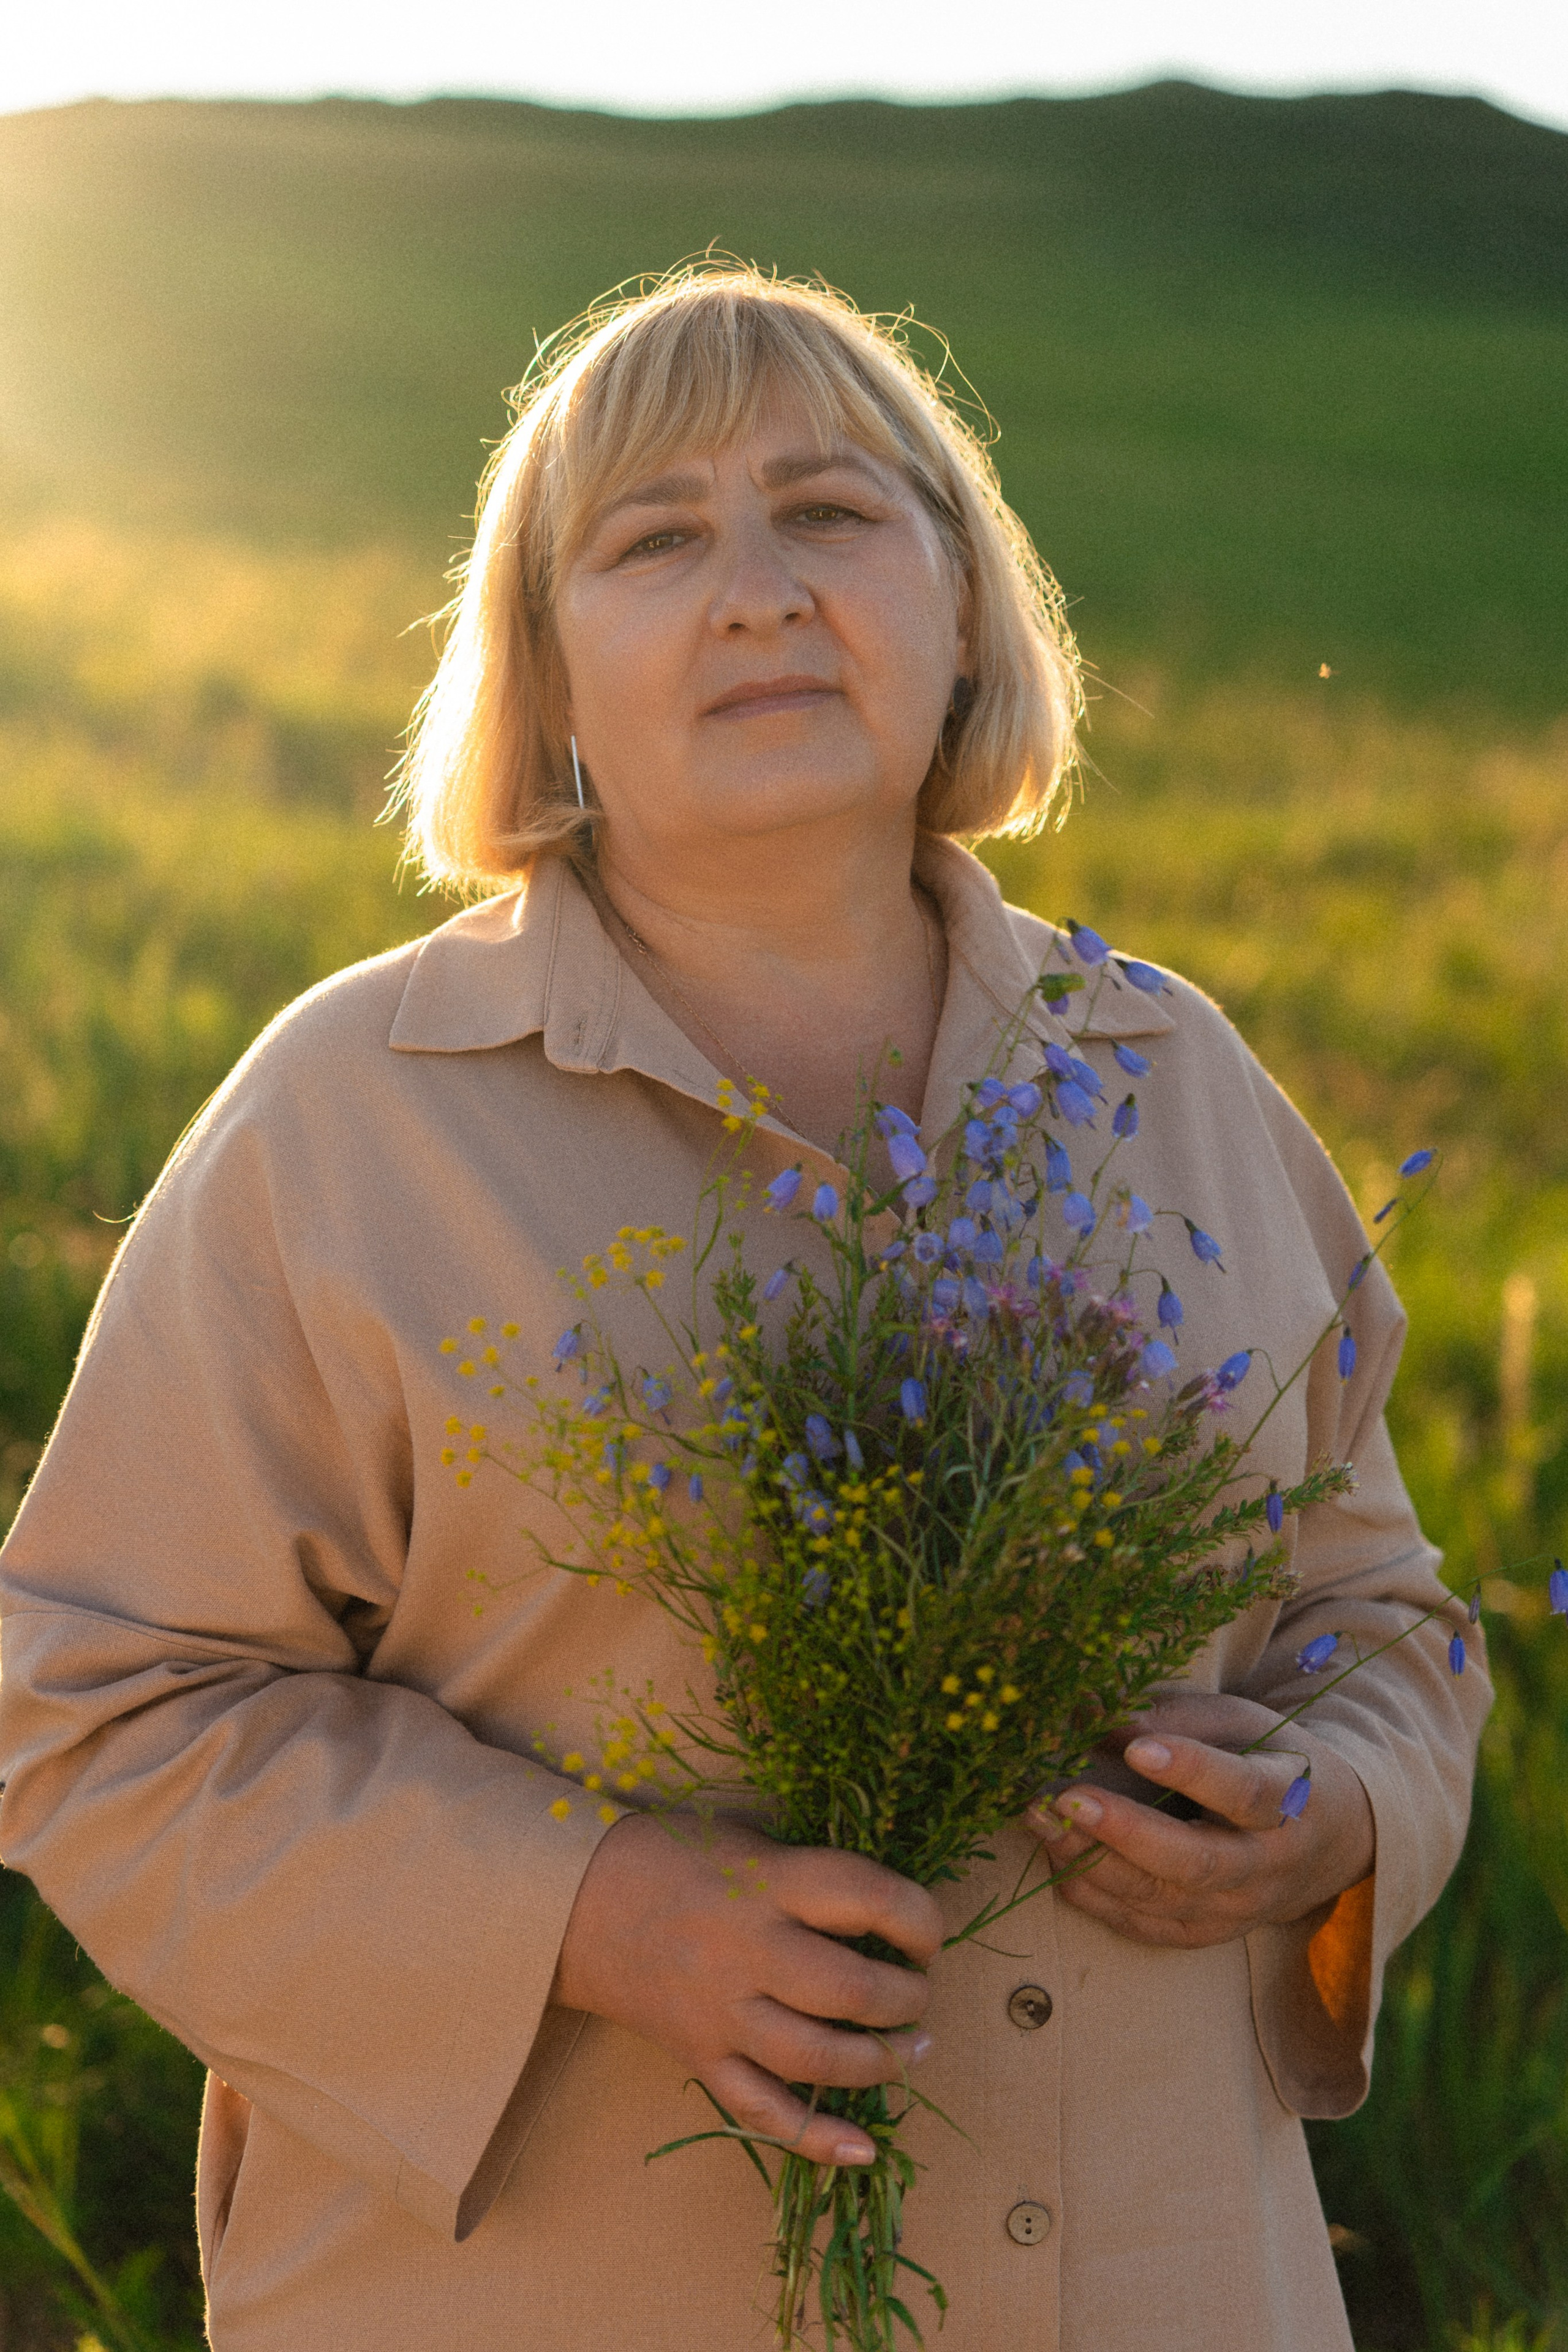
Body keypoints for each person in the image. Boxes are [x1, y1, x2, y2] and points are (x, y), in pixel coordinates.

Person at [0, 266, 1487, 2352]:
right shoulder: (348, 1126)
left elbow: (1385, 1618)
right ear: (548, 675)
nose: (762, 589)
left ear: (961, 605)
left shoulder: (1177, 1077)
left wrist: (1327, 1817)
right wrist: (596, 1912)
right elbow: (95, 1710)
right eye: (656, 538)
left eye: (834, 512)